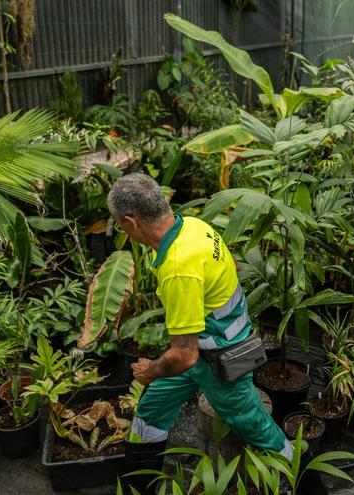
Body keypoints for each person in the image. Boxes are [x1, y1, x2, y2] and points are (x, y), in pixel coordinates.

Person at [107, 173, 292, 492]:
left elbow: (183, 355)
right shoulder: (192, 226)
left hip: (221, 362)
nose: (121, 230)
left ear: (130, 221)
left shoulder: (180, 268)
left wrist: (150, 370)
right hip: (199, 353)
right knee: (152, 410)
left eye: (118, 225)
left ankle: (301, 476)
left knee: (254, 424)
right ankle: (139, 483)